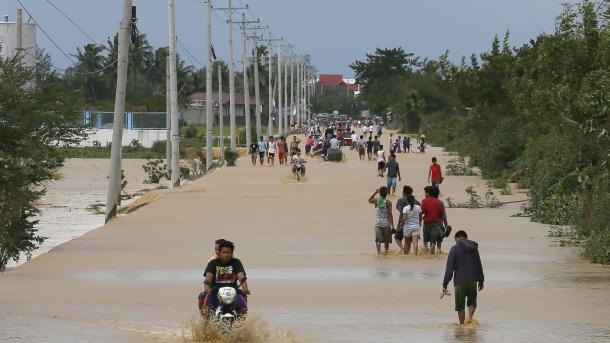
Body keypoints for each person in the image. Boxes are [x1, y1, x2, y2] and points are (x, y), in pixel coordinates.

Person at [442, 230, 484, 325]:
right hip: (472, 281)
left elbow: (449, 269)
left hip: (459, 282)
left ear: (457, 238)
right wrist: (481, 281)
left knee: (460, 306)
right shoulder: (474, 249)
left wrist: (445, 283)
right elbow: (478, 265)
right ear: (466, 238)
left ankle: (462, 326)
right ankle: (469, 318)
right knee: (472, 302)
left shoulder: (454, 249)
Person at [202, 240, 250, 316]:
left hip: (233, 294)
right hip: (215, 293)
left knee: (243, 309)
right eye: (224, 252)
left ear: (232, 253)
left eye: (228, 252)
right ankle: (206, 327)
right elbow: (208, 278)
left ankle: (240, 327)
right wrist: (207, 288)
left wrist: (245, 288)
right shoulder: (213, 263)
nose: (226, 255)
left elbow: (241, 276)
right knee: (206, 310)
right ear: (219, 253)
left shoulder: (236, 262)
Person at [368, 187, 395, 255]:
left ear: (380, 193)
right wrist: (392, 226)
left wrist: (375, 192)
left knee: (378, 240)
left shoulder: (376, 201)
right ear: (386, 194)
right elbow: (390, 215)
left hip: (378, 224)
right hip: (386, 224)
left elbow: (369, 200)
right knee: (386, 241)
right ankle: (386, 253)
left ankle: (379, 254)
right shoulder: (389, 203)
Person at [421, 186, 445, 255]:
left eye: (425, 193)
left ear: (428, 193)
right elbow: (441, 214)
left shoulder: (424, 200)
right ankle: (432, 256)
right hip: (436, 223)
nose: (425, 194)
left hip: (427, 223)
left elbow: (423, 210)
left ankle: (426, 253)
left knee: (425, 240)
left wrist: (422, 215)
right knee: (433, 241)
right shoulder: (438, 202)